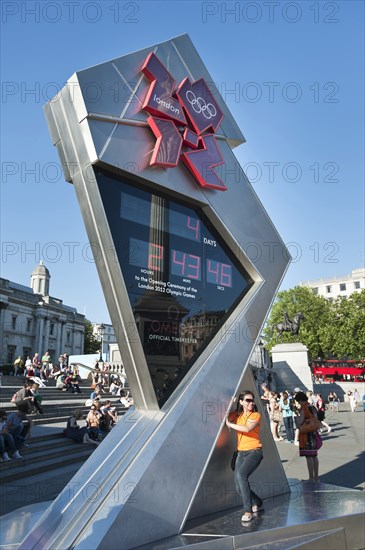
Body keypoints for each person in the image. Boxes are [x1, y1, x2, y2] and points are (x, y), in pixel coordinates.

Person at [225, 391, 264, 523]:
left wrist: (230, 425)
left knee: (242, 475)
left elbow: (247, 429)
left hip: (254, 451)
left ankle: (248, 511)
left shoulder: (256, 415)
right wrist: (231, 402)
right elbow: (224, 415)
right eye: (247, 400)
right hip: (241, 452)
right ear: (241, 402)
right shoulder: (237, 415)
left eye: (252, 400)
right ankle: (257, 501)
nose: (251, 403)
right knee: (238, 485)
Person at [294, 391, 320, 482]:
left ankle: (311, 478)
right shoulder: (312, 407)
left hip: (306, 435)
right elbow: (317, 418)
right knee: (314, 456)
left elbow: (300, 422)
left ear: (300, 401)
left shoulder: (304, 408)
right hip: (313, 433)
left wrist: (297, 417)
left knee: (309, 457)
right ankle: (316, 477)